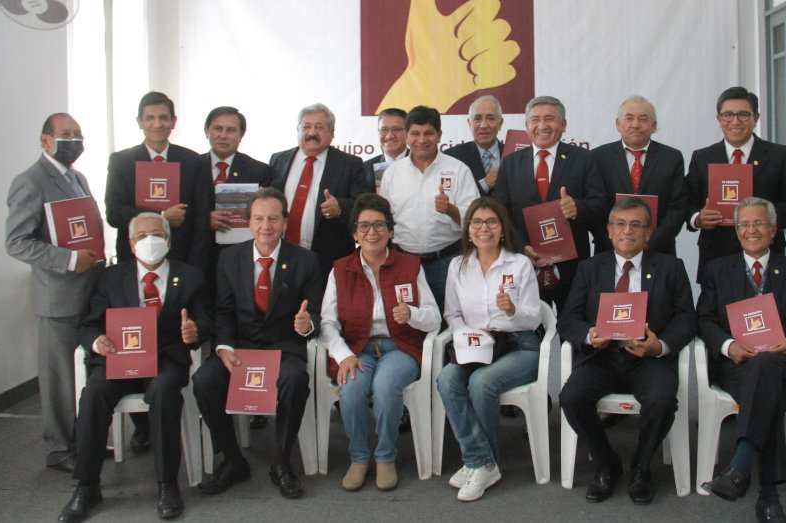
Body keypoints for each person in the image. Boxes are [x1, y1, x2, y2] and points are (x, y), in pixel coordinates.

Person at [58, 212, 211, 522]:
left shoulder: (192, 275)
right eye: (141, 236)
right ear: (130, 243)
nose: (149, 241)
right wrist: (96, 341)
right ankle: (86, 485)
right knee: (94, 393)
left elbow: (207, 319)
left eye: (156, 234)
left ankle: (167, 484)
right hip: (120, 359)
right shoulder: (109, 277)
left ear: (168, 240)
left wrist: (195, 331)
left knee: (165, 390)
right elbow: (88, 323)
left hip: (166, 358)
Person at [558, 197, 696, 505]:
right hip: (602, 357)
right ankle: (607, 463)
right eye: (620, 224)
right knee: (571, 397)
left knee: (661, 400)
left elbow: (687, 318)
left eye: (636, 225)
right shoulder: (590, 268)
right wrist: (589, 335)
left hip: (647, 359)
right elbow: (568, 319)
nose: (627, 231)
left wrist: (660, 345)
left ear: (649, 232)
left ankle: (641, 466)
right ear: (608, 231)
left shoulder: (671, 267)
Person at [697, 197, 786, 523]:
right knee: (767, 390)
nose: (751, 230)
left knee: (766, 370)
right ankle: (768, 499)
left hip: (783, 360)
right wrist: (728, 346)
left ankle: (741, 468)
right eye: (744, 225)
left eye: (758, 224)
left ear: (772, 230)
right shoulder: (717, 269)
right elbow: (704, 320)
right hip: (737, 363)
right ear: (736, 231)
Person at [192, 188, 323, 499]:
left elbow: (316, 312)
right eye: (259, 219)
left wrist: (308, 325)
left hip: (283, 346)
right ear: (248, 222)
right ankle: (233, 459)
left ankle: (281, 461)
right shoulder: (229, 258)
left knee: (294, 379)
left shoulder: (306, 260)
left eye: (274, 219)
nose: (266, 226)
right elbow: (222, 311)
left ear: (285, 222)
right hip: (241, 346)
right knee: (204, 380)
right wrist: (223, 347)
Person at [320, 194, 440, 492]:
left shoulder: (410, 265)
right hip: (356, 349)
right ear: (354, 234)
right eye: (364, 226)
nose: (371, 232)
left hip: (399, 348)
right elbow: (327, 323)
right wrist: (343, 355)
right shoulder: (340, 269)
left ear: (391, 230)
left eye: (379, 225)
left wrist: (411, 313)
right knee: (352, 389)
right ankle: (360, 457)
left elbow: (434, 318)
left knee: (386, 387)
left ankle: (386, 457)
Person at [5, 113, 101, 473]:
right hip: (57, 296)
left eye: (78, 134)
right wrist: (68, 259)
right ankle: (61, 449)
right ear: (45, 140)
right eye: (65, 135)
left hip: (89, 289)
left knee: (91, 372)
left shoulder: (78, 178)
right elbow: (16, 242)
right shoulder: (29, 181)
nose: (73, 141)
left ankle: (86, 440)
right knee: (58, 376)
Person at [437, 197, 542, 501]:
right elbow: (452, 314)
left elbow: (534, 317)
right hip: (477, 347)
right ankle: (480, 460)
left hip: (519, 346)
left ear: (502, 229)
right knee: (446, 380)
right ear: (468, 229)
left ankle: (481, 463)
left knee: (481, 383)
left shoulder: (519, 263)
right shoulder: (458, 265)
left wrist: (511, 310)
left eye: (492, 222)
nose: (484, 228)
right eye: (477, 222)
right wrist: (467, 336)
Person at [494, 95, 607, 313]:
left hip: (573, 266)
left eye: (550, 119)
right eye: (535, 119)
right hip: (525, 264)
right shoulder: (511, 163)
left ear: (563, 125)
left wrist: (578, 208)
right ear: (527, 126)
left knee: (573, 332)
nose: (542, 125)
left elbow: (601, 204)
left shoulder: (583, 159)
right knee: (531, 332)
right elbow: (501, 212)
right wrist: (520, 246)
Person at [685, 87, 786, 281]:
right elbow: (687, 202)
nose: (735, 121)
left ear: (755, 117)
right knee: (716, 310)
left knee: (766, 310)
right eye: (728, 115)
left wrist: (766, 219)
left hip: (767, 254)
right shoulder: (702, 157)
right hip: (717, 254)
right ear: (719, 119)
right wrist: (698, 218)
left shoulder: (779, 156)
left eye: (743, 114)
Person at [379, 105, 479, 311]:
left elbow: (475, 221)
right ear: (407, 136)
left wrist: (450, 209)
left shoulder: (458, 170)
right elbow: (385, 219)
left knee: (449, 324)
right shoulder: (392, 174)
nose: (422, 140)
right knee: (407, 324)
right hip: (403, 263)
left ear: (439, 135)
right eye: (415, 133)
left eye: (429, 133)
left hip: (447, 263)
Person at [269, 103, 370, 277]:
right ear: (298, 130)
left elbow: (363, 205)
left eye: (319, 127)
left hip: (328, 258)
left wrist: (339, 208)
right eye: (306, 126)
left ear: (332, 133)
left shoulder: (350, 164)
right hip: (280, 254)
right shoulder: (278, 160)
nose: (312, 133)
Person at [105, 91, 201, 265]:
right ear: (139, 122)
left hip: (182, 258)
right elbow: (114, 213)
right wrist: (162, 215)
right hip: (134, 259)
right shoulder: (121, 161)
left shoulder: (193, 161)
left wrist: (197, 263)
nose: (157, 124)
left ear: (174, 121)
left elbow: (200, 217)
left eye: (163, 117)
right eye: (150, 118)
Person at [590, 96, 688, 256]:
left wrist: (651, 240)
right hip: (609, 250)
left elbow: (677, 207)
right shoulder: (598, 157)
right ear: (618, 124)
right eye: (629, 118)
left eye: (643, 119)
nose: (635, 124)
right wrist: (616, 240)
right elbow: (594, 206)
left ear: (654, 126)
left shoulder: (671, 158)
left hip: (659, 250)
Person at [190, 106, 273, 288]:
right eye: (217, 129)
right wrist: (205, 220)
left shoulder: (258, 171)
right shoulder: (190, 167)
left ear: (241, 135)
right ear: (207, 132)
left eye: (231, 130)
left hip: (241, 261)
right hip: (196, 258)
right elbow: (181, 211)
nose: (223, 135)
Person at [445, 95, 506, 196]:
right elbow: (450, 197)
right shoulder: (452, 157)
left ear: (500, 123)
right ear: (469, 123)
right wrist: (484, 185)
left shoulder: (513, 154)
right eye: (477, 119)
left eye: (490, 118)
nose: (483, 125)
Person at [363, 108, 408, 191]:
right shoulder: (365, 169)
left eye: (396, 129)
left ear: (407, 133)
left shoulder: (422, 163)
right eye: (384, 130)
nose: (389, 136)